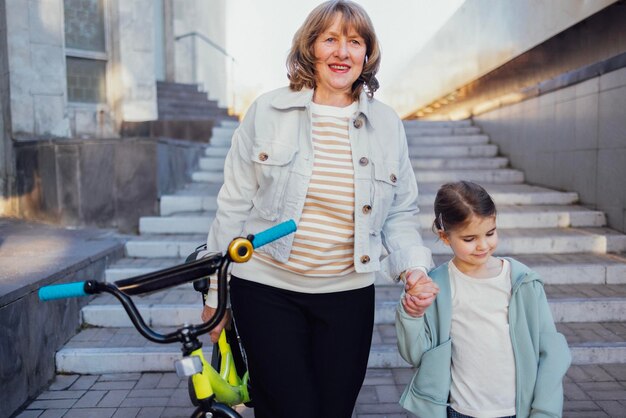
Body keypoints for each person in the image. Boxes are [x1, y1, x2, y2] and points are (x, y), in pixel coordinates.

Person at [199, 1, 434, 417]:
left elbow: (399, 213)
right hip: (266, 288)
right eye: (330, 39)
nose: (342, 52)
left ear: (367, 54)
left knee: (334, 410)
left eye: (355, 42)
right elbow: (233, 205)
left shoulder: (387, 125)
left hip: (347, 296)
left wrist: (412, 267)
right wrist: (217, 296)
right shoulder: (267, 111)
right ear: (310, 48)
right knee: (290, 409)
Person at [395, 180, 571, 418]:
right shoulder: (436, 286)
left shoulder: (522, 281)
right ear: (445, 237)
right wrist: (412, 315)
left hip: (516, 410)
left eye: (490, 233)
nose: (483, 245)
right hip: (459, 411)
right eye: (469, 239)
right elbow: (416, 354)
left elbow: (551, 351)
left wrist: (544, 411)